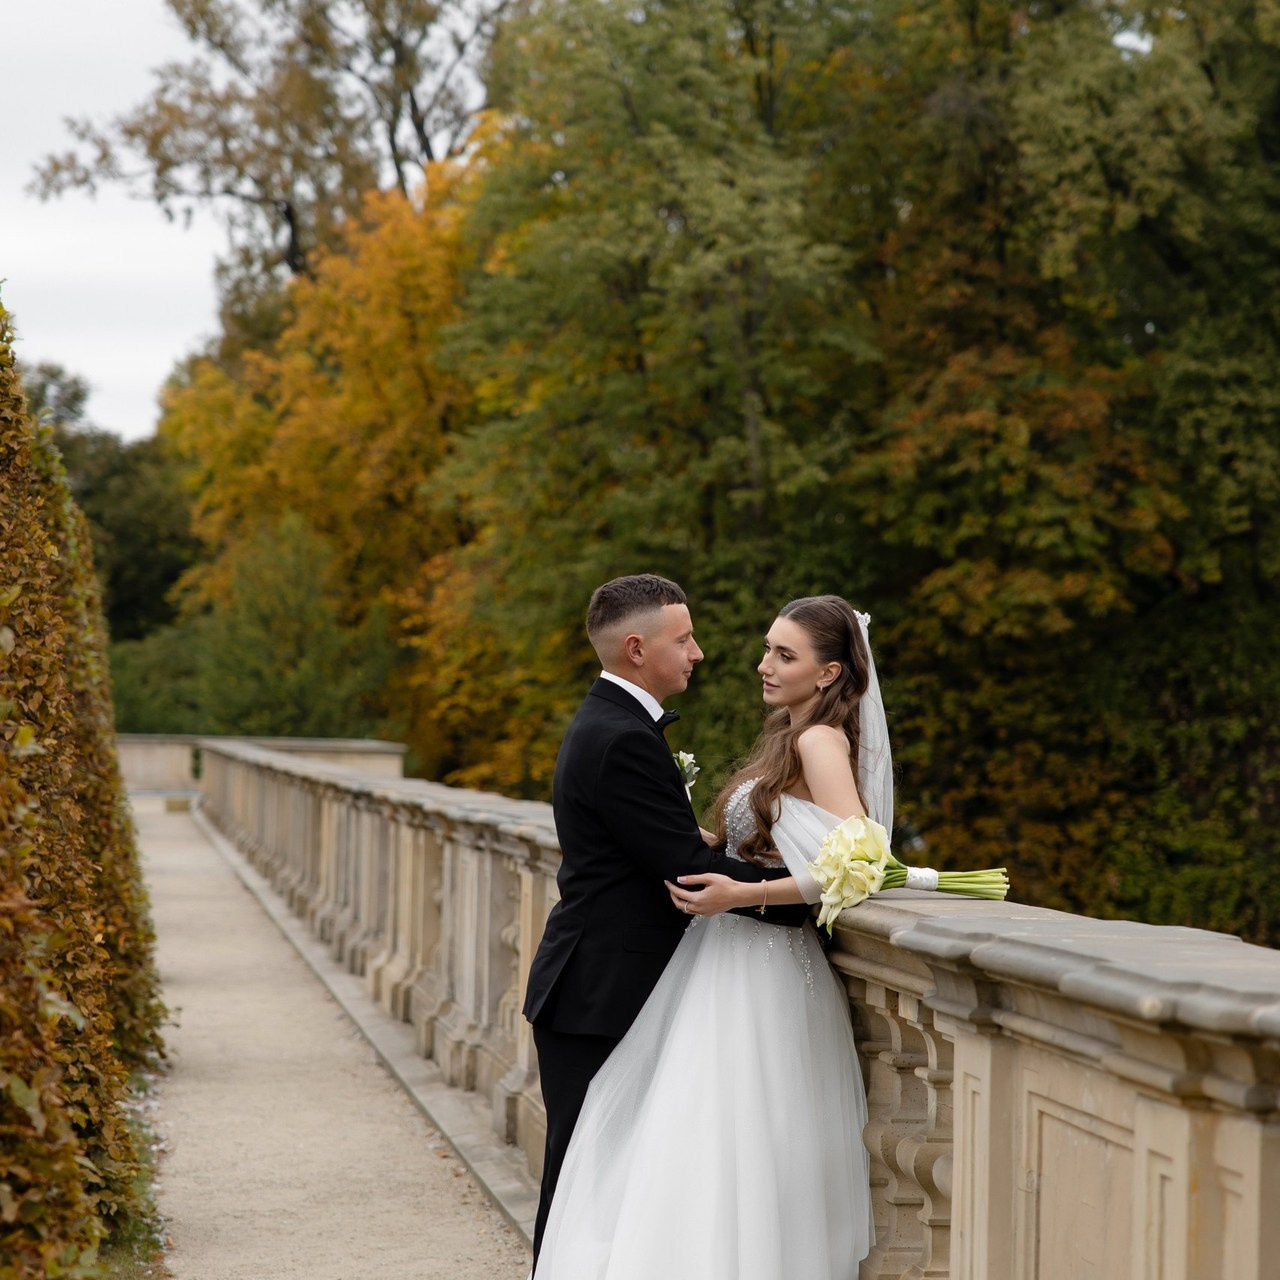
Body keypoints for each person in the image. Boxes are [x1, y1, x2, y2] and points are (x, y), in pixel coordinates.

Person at [533, 595, 885, 1279]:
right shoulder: (626, 734)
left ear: (829, 673)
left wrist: (743, 887)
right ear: (638, 648)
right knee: (661, 1163)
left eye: (784, 653)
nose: (750, 662)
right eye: (686, 639)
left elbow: (861, 864)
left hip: (736, 970)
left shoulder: (812, 741)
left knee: (701, 1158)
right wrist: (724, 867)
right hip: (628, 981)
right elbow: (698, 869)